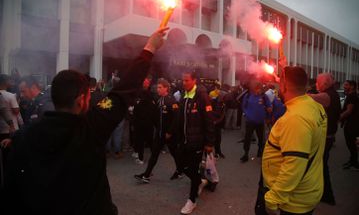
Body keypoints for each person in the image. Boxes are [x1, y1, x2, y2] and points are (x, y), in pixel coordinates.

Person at [1, 28, 168, 215]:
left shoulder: (25, 136)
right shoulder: (91, 127)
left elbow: (11, 190)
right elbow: (124, 90)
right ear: (81, 100)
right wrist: (150, 47)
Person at [261, 67, 327, 215]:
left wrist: (273, 199)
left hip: (292, 201)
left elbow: (294, 165)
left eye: (281, 83)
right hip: (307, 190)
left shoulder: (295, 118)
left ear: (283, 85)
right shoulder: (314, 107)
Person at [177, 71, 215, 214]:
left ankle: (192, 200)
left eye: (187, 80)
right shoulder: (184, 96)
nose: (184, 83)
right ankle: (200, 180)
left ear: (194, 81)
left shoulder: (202, 96)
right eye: (183, 80)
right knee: (181, 166)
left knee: (193, 168)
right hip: (184, 141)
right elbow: (180, 119)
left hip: (197, 142)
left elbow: (209, 121)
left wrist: (209, 143)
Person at [134, 78, 183, 183]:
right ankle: (146, 175)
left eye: (160, 88)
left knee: (175, 153)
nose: (158, 89)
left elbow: (176, 118)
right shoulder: (159, 100)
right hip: (160, 133)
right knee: (154, 154)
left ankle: (180, 170)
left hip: (170, 134)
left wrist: (170, 132)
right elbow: (157, 116)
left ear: (166, 88)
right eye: (157, 87)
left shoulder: (171, 100)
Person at [308, 73, 341, 205]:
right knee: (319, 165)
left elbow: (310, 98)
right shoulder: (332, 93)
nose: (316, 84)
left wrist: (299, 91)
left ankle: (327, 195)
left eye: (317, 82)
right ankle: (323, 194)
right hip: (328, 136)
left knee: (320, 166)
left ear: (325, 84)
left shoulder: (328, 95)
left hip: (326, 138)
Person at [241, 80, 272, 162]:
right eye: (257, 89)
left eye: (260, 89)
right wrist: (246, 114)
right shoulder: (247, 96)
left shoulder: (264, 97)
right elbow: (243, 106)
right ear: (253, 89)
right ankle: (246, 153)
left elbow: (269, 107)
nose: (259, 90)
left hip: (260, 122)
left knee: (261, 138)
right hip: (250, 121)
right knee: (247, 138)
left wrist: (268, 110)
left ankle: (260, 152)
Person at [132, 76, 157, 165]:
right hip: (141, 122)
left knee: (145, 140)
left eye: (147, 82)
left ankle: (143, 157)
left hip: (146, 122)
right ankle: (141, 155)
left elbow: (136, 109)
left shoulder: (150, 94)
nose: (146, 83)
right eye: (145, 82)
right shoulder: (140, 94)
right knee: (142, 140)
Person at [340, 80, 359, 170]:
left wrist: (338, 118)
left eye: (346, 85)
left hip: (352, 124)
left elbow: (349, 111)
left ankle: (354, 163)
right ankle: (352, 161)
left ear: (352, 86)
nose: (344, 86)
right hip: (351, 123)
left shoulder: (352, 96)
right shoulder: (352, 95)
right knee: (350, 144)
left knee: (351, 144)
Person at [0, 74, 20, 142]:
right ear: (5, 82)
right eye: (10, 80)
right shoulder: (11, 96)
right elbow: (16, 111)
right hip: (9, 129)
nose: (11, 82)